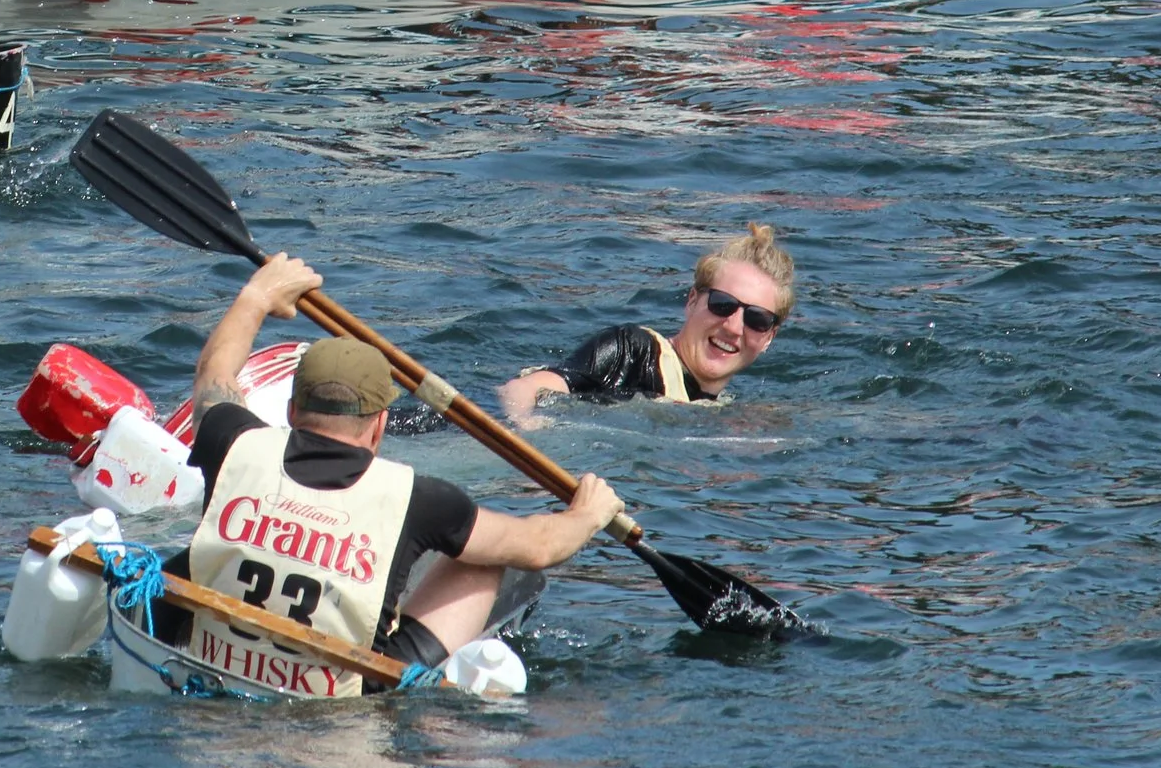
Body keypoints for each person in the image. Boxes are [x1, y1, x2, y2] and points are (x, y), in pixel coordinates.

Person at [174, 254, 622, 697]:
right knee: (484, 559)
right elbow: (538, 548)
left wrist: (257, 295)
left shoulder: (231, 441)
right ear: (380, 425)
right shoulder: (417, 498)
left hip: (213, 658)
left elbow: (213, 373)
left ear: (291, 411)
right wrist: (588, 513)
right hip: (343, 698)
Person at [498, 224, 795, 421]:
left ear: (769, 336)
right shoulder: (633, 350)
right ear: (692, 301)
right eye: (722, 304)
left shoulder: (721, 411)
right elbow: (523, 389)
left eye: (757, 319)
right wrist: (529, 437)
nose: (733, 327)